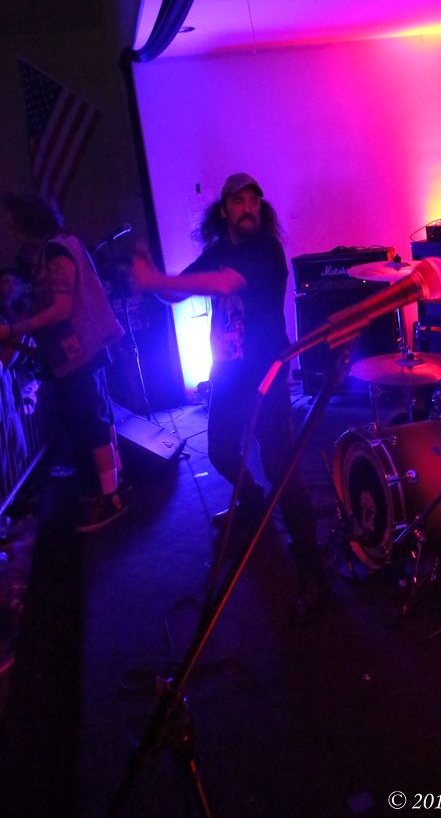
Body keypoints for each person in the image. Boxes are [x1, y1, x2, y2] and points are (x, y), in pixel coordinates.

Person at [131, 173, 328, 622]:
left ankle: (311, 570)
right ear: (224, 211)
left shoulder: (265, 250)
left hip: (268, 369)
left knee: (280, 464)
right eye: (239, 202)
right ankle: (252, 502)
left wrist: (154, 277)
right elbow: (177, 291)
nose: (248, 208)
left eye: (254, 201)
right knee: (220, 449)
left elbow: (222, 284)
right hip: (228, 371)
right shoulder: (220, 251)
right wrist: (155, 282)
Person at [0, 193, 126, 532]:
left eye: (12, 222)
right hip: (82, 349)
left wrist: (14, 329)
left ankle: (110, 497)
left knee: (91, 422)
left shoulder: (56, 250)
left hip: (79, 351)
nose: (10, 229)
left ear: (27, 220)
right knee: (98, 418)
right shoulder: (58, 245)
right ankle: (113, 484)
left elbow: (61, 308)